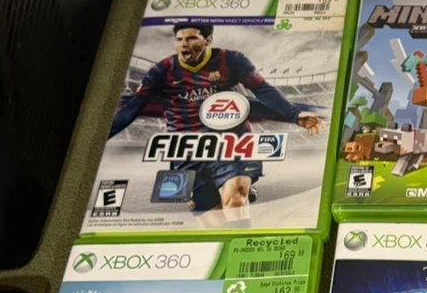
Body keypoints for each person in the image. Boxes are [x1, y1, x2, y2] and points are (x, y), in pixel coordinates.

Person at [110, 20, 324, 227]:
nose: (184, 44)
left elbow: (262, 90)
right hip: (187, 151)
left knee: (235, 200)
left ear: (208, 40)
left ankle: (241, 236)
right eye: (179, 39)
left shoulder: (230, 60)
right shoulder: (162, 71)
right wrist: (105, 134)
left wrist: (295, 114)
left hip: (230, 141)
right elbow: (133, 106)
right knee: (213, 225)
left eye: (191, 38)